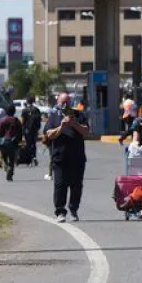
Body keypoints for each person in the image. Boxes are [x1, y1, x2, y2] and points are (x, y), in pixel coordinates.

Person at [43, 92, 90, 223]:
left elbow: (86, 132)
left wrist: (74, 124)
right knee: (60, 185)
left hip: (77, 158)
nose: (64, 105)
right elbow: (49, 134)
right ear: (58, 104)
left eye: (67, 103)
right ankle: (60, 211)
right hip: (59, 158)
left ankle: (74, 209)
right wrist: (62, 126)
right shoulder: (53, 117)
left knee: (76, 186)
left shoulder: (79, 115)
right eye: (62, 103)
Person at [0, 104, 23, 181]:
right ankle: (10, 170)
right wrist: (19, 141)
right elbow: (20, 132)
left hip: (4, 142)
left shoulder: (3, 120)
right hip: (13, 142)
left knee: (4, 156)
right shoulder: (16, 120)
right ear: (14, 111)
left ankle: (7, 166)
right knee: (12, 158)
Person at [20, 95, 43, 164]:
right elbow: (39, 119)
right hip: (34, 129)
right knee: (33, 143)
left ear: (27, 102)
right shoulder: (36, 109)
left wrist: (21, 129)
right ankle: (34, 156)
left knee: (28, 143)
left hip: (27, 130)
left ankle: (29, 157)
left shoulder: (24, 110)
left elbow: (22, 121)